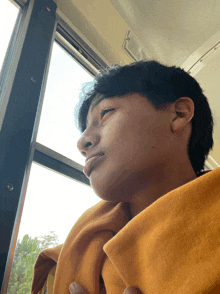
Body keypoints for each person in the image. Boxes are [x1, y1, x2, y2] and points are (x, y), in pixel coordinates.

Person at [31, 60, 220, 294]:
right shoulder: (63, 264)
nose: (82, 143)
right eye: (84, 131)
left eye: (106, 113)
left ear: (178, 114)